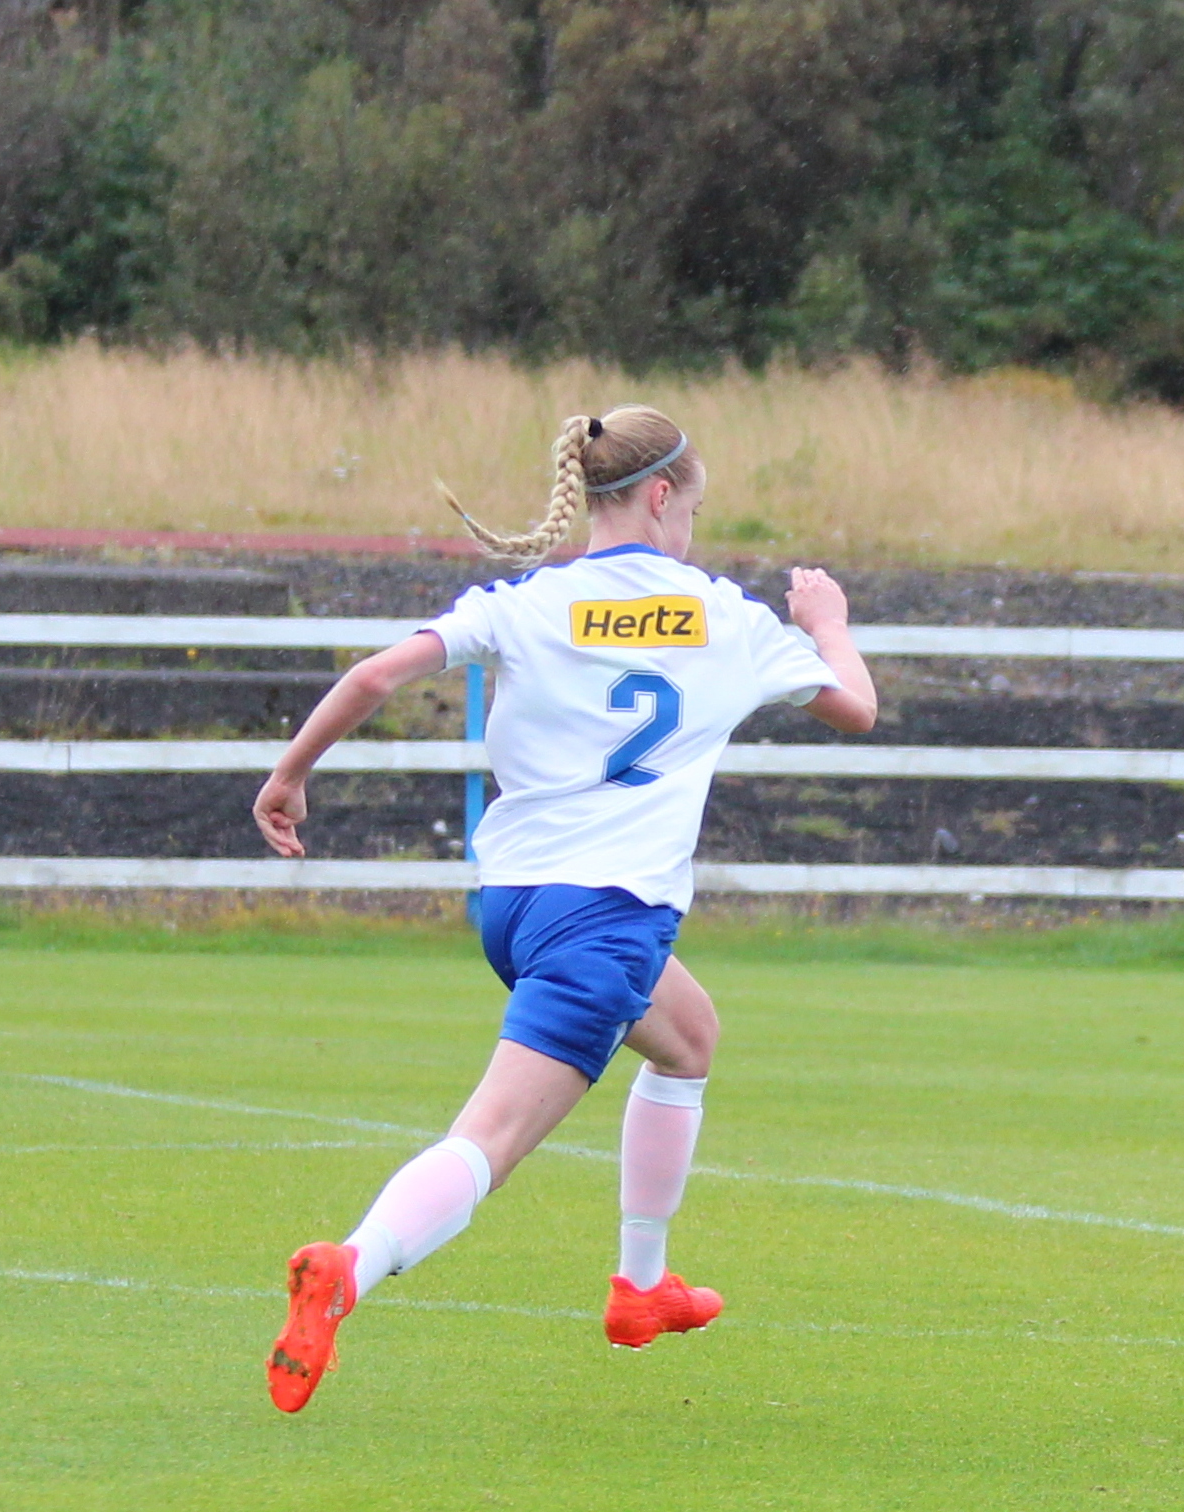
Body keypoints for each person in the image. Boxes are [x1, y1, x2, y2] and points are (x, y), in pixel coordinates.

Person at [249, 404, 879, 1413]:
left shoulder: (528, 601)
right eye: (692, 509)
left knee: (688, 1037)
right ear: (662, 496)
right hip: (609, 918)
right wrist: (828, 625)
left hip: (515, 907)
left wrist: (288, 777)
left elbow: (373, 674)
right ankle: (350, 1266)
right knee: (490, 1138)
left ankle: (642, 1287)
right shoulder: (727, 617)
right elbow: (856, 706)